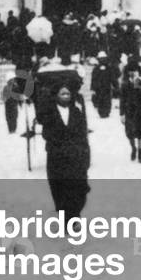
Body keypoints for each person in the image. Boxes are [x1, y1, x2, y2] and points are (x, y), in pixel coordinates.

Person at [38, 82, 90, 221]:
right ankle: (69, 218)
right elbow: (46, 134)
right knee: (59, 188)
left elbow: (82, 135)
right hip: (57, 157)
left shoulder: (76, 112)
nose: (66, 96)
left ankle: (74, 214)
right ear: (57, 96)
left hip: (75, 156)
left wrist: (83, 154)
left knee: (79, 188)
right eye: (63, 94)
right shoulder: (49, 113)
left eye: (68, 93)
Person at [90, 52, 115, 118]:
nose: (102, 60)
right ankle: (101, 112)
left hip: (107, 87)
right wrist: (93, 88)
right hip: (99, 88)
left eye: (103, 59)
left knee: (107, 99)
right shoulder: (96, 69)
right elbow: (93, 79)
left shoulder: (109, 68)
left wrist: (115, 85)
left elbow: (112, 77)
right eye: (101, 59)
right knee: (100, 99)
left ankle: (107, 111)